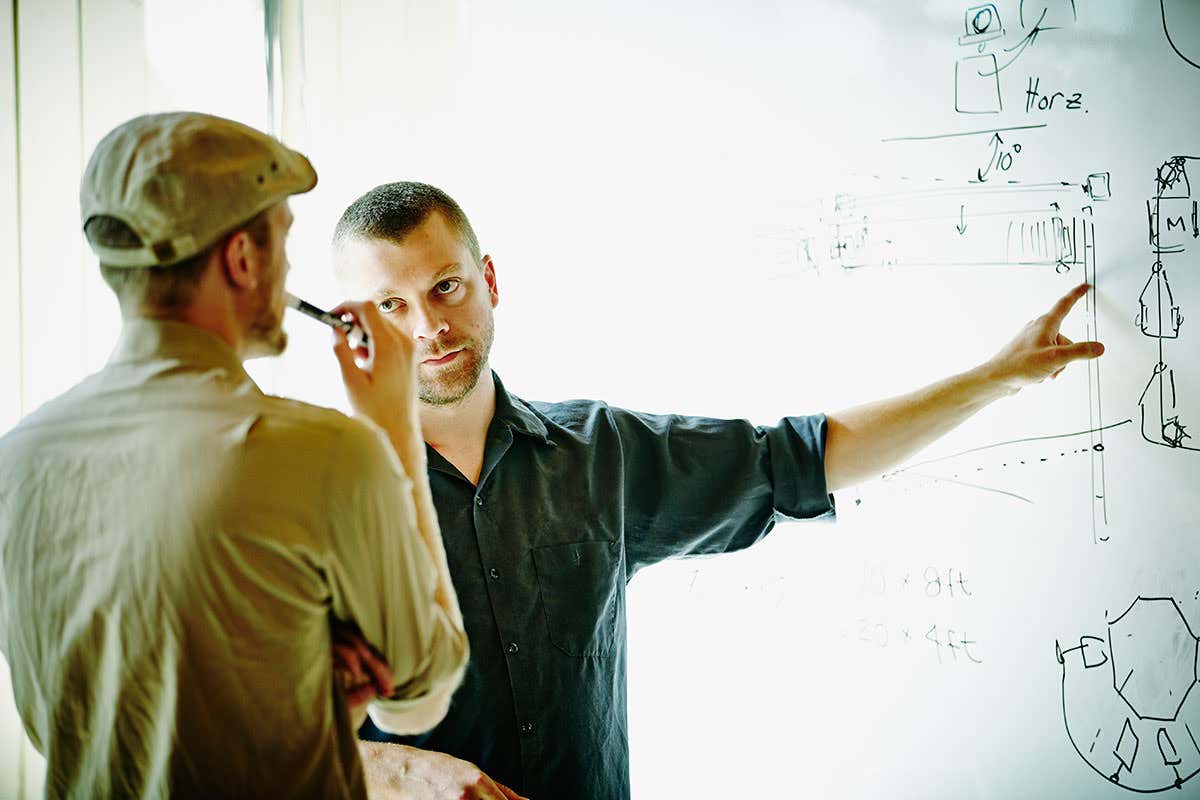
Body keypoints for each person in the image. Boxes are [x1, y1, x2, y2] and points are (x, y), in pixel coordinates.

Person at [329, 181, 1104, 799]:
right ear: (353, 327)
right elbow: (233, 734)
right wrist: (395, 771)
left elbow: (801, 458)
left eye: (446, 286)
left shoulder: (600, 454)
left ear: (489, 279)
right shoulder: (314, 496)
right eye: (392, 306)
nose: (429, 326)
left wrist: (992, 380)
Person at [0, 115, 469, 799]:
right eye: (282, 236)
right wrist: (393, 426)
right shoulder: (328, 455)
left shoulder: (16, 465)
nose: (286, 267)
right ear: (243, 260)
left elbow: (80, 723)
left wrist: (298, 701)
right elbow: (421, 693)